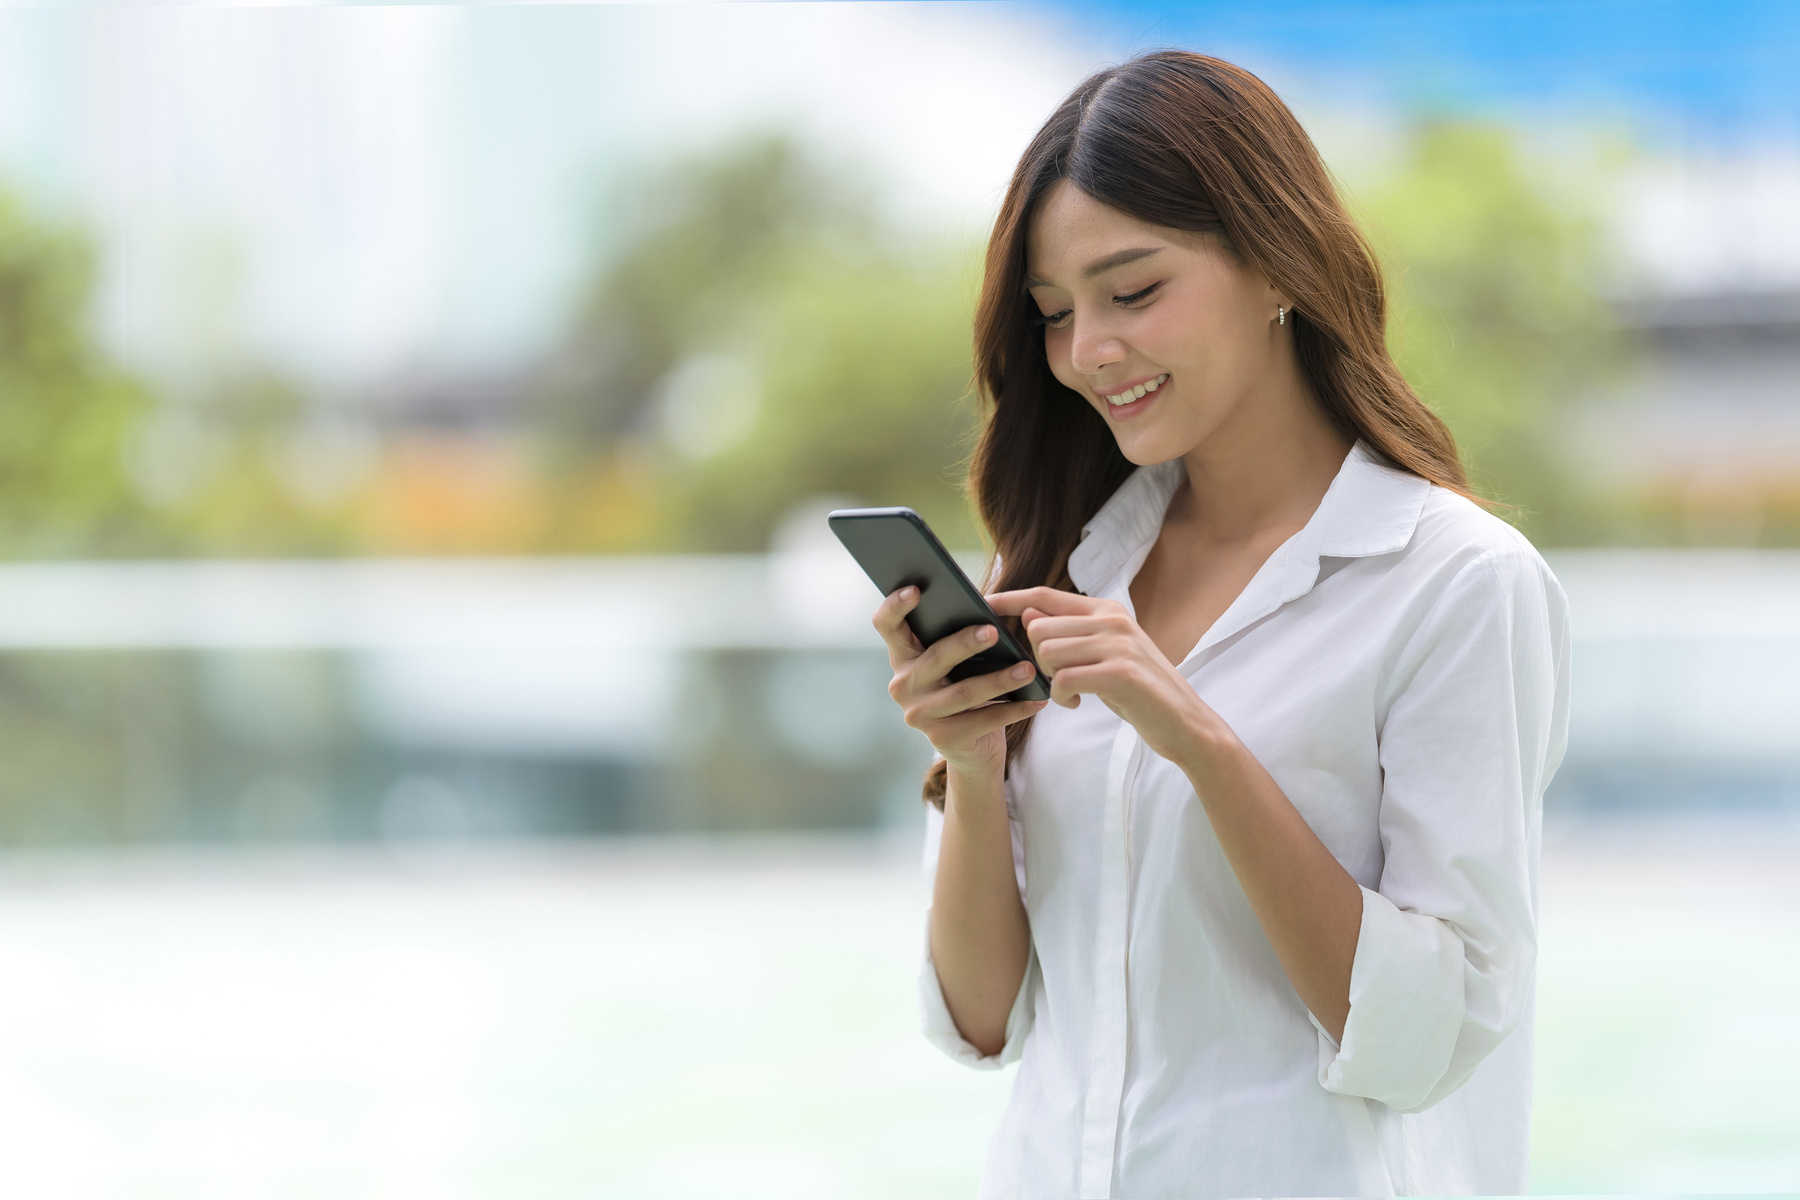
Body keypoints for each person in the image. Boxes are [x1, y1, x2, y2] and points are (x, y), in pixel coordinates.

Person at [869, 51, 1570, 1200]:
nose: (1089, 350)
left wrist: (1197, 736)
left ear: (1275, 263)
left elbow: (1426, 1042)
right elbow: (982, 1019)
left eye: (1133, 291)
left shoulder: (1455, 584)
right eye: (1054, 313)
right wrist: (976, 765)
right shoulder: (1065, 565)